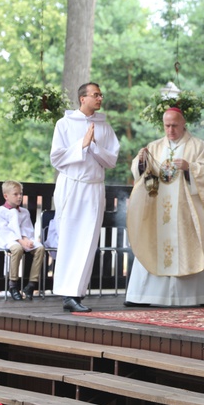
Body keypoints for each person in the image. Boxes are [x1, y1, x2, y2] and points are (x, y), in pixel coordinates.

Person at [125, 107, 204, 306]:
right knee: (155, 243)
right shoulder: (155, 146)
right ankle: (146, 296)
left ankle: (199, 296)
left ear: (184, 124)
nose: (171, 130)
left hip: (187, 210)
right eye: (167, 126)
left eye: (175, 125)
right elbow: (140, 171)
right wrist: (141, 163)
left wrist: (189, 167)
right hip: (159, 209)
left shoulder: (198, 146)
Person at [50, 82, 120, 312]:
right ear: (82, 98)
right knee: (70, 238)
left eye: (101, 94)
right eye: (95, 95)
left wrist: (93, 147)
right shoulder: (64, 124)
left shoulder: (105, 127)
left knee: (88, 240)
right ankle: (66, 293)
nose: (100, 98)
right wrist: (82, 144)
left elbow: (111, 160)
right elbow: (57, 158)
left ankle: (76, 294)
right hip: (72, 185)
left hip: (93, 187)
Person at [0, 180, 45, 300]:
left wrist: (27, 240)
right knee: (17, 248)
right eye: (15, 194)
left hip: (21, 239)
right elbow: (3, 231)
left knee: (39, 248)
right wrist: (21, 241)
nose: (19, 197)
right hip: (5, 239)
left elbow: (26, 228)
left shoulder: (24, 212)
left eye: (20, 194)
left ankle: (31, 284)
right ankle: (13, 284)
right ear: (6, 196)